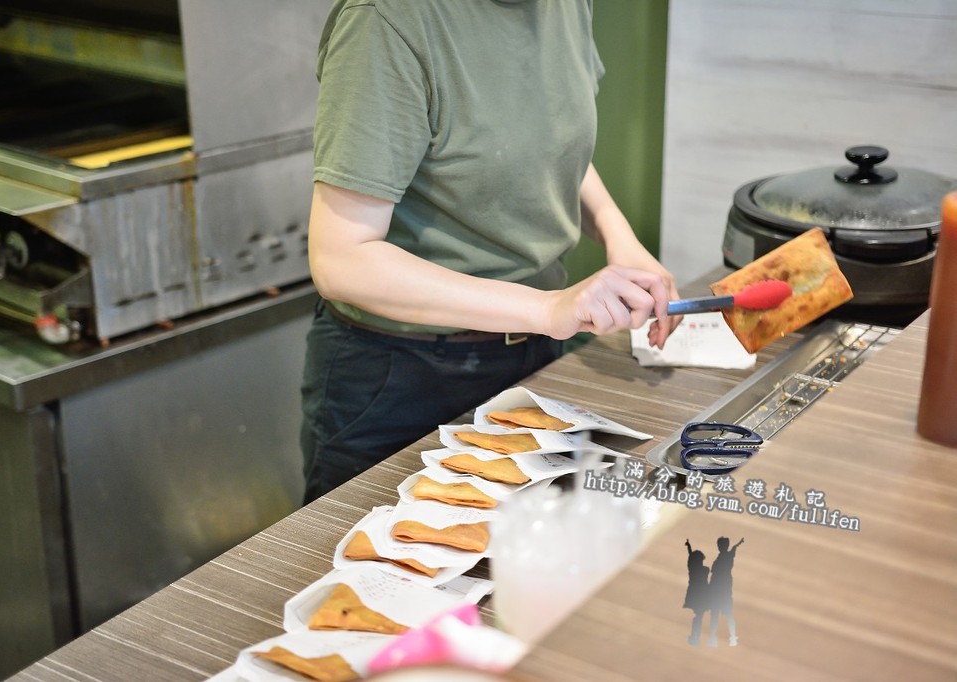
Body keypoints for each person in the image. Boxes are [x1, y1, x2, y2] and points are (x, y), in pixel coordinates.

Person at [300, 0, 681, 503]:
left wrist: (618, 237)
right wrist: (548, 307)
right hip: (402, 375)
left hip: (534, 354)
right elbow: (342, 260)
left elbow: (543, 143)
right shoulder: (386, 21)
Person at [708, 536, 744, 646]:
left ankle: (731, 636)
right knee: (720, 614)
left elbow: (735, 547)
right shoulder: (724, 556)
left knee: (723, 614)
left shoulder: (726, 556)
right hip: (720, 588)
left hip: (722, 588)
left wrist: (739, 543)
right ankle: (719, 637)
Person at [683, 539, 711, 646]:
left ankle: (695, 635)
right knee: (699, 615)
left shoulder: (693, 569)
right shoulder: (704, 569)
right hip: (702, 592)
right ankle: (695, 635)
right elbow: (691, 557)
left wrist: (689, 547)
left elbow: (691, 558)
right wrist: (689, 547)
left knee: (698, 615)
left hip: (696, 592)